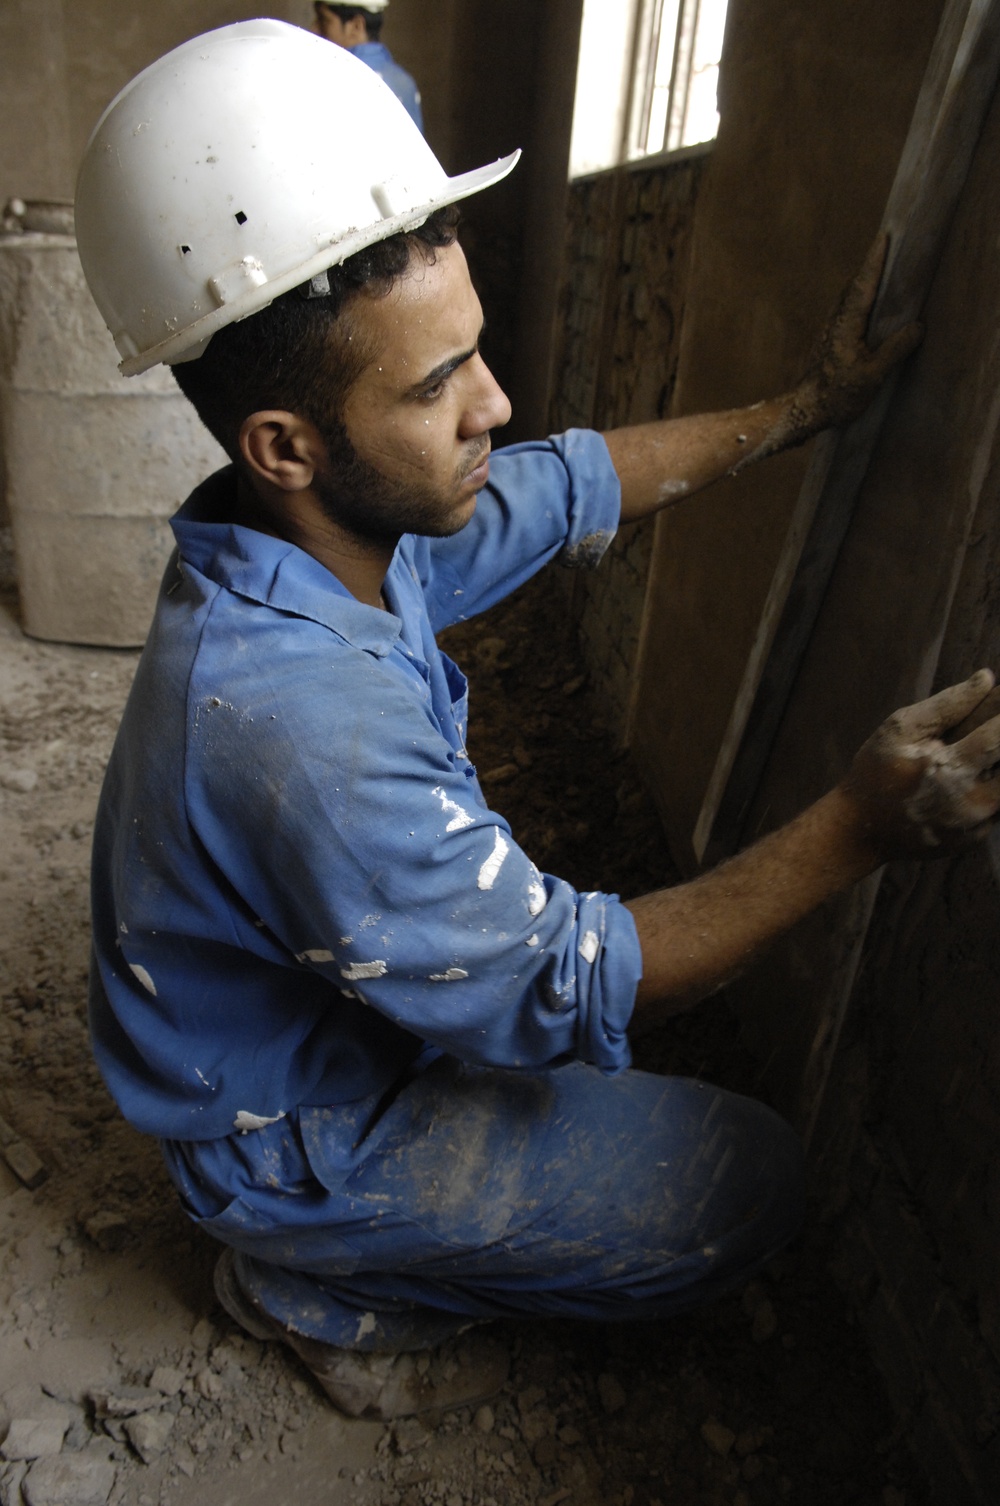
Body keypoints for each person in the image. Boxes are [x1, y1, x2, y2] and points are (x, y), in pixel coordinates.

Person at [76, 20, 1000, 1422]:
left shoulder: (330, 530)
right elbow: (561, 979)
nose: (492, 405)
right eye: (436, 386)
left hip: (342, 1022)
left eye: (475, 355)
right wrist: (861, 822)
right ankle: (306, 1274)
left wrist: (803, 408)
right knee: (747, 1184)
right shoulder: (291, 714)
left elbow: (577, 484)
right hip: (302, 1130)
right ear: (287, 443)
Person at [314, 0, 423, 132]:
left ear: (356, 26)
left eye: (324, 21)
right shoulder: (404, 82)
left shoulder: (334, 79)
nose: (314, 29)